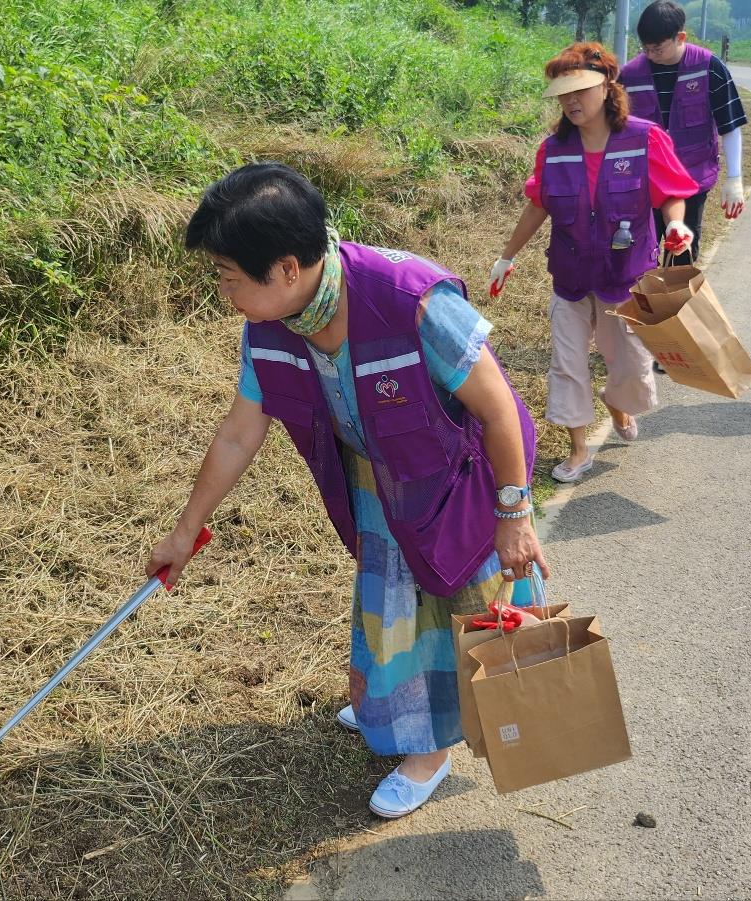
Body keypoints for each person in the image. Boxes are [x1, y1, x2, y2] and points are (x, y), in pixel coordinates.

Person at [149, 163, 546, 819]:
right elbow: (238, 434)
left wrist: (514, 512)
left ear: (284, 269)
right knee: (391, 600)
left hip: (461, 475)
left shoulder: (410, 298)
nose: (224, 293)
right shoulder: (272, 325)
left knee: (457, 601)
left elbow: (500, 408)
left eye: (229, 277)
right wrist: (186, 527)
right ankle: (394, 702)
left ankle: (429, 749)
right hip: (380, 479)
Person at [488, 43, 698, 483]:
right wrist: (506, 257)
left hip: (625, 278)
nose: (571, 101)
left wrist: (676, 226)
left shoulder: (644, 138)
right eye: (563, 93)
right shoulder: (553, 149)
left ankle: (617, 403)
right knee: (567, 364)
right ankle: (578, 449)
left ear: (607, 86)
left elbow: (671, 194)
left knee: (629, 366)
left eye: (580, 90)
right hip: (570, 276)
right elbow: (536, 205)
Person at [620, 0, 751, 265]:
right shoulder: (630, 76)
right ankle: (642, 304)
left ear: (680, 37)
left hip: (692, 179)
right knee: (638, 255)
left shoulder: (709, 68)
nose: (650, 54)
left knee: (681, 255)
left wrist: (734, 178)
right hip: (644, 182)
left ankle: (677, 305)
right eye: (645, 48)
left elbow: (730, 125)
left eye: (657, 48)